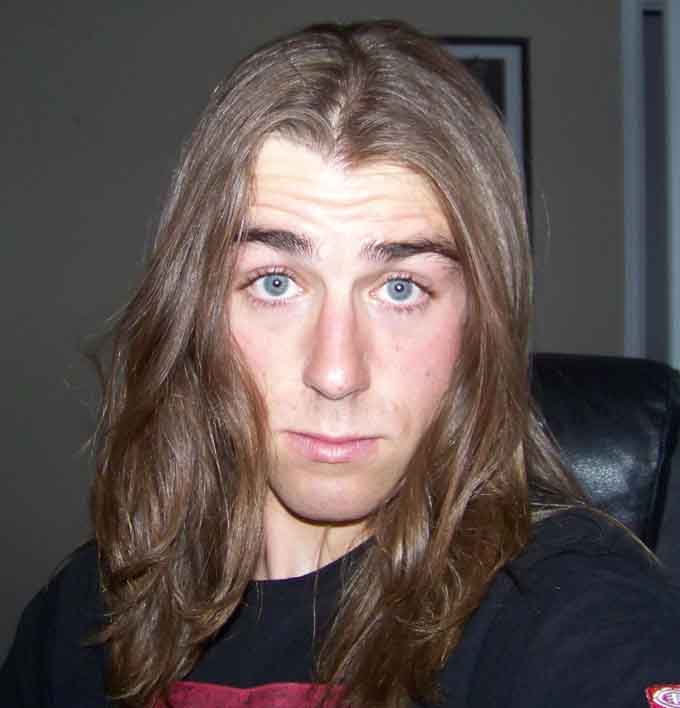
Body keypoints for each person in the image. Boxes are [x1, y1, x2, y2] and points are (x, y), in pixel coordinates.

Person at [1, 19, 678, 708]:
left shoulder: (568, 606)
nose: (335, 373)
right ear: (195, 307)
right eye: (275, 282)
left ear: (480, 323)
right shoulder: (82, 618)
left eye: (401, 289)